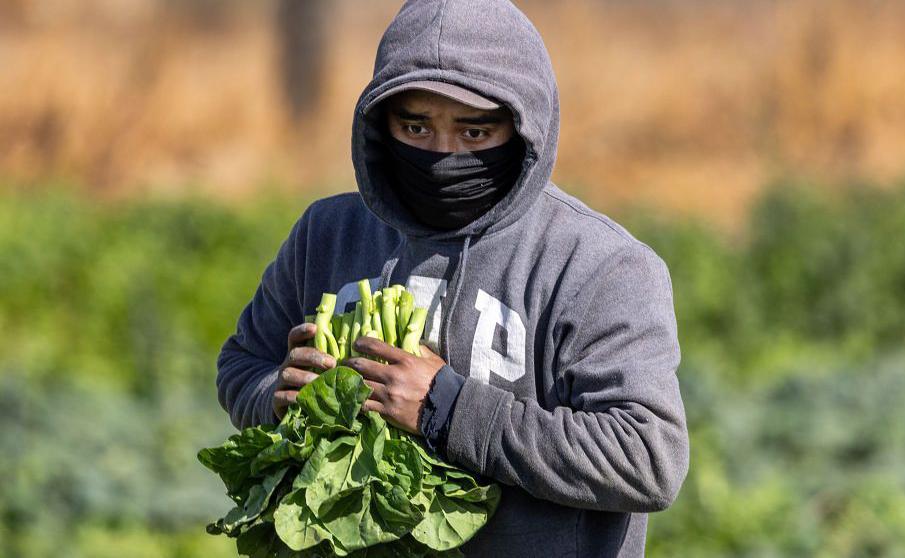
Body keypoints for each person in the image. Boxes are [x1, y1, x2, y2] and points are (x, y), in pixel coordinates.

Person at [215, 1, 690, 556]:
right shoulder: (329, 234)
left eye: (475, 131)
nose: (444, 156)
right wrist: (277, 393)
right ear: (380, 123)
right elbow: (242, 363)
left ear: (523, 126)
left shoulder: (600, 266)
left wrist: (445, 406)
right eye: (415, 127)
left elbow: (647, 459)